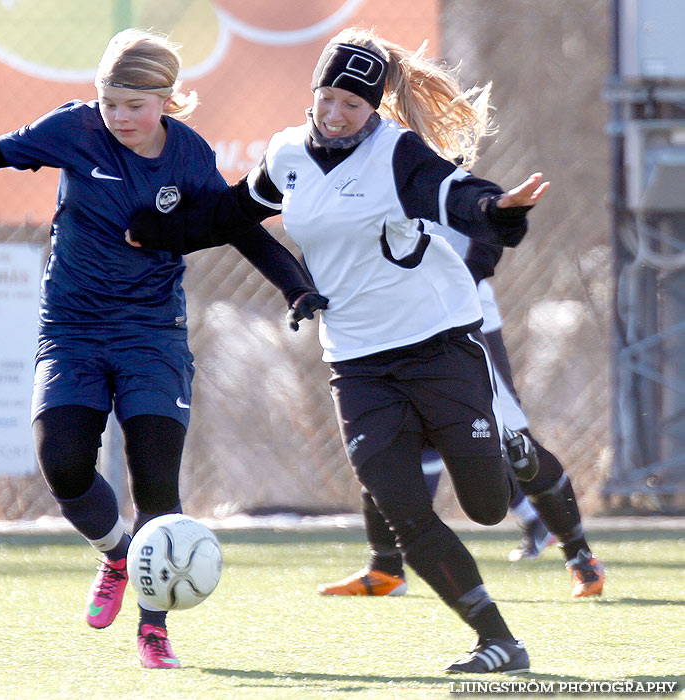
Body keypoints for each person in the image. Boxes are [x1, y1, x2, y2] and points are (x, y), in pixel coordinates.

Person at [0, 28, 326, 669]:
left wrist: (295, 285)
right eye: (109, 101)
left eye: (134, 105)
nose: (118, 116)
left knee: (157, 488)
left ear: (167, 101)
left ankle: (153, 631)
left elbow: (239, 229)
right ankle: (118, 555)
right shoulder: (76, 130)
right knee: (61, 463)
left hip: (152, 336)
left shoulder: (191, 158)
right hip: (73, 330)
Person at [128, 27, 555, 674]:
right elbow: (230, 214)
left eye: (351, 105)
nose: (334, 113)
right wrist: (155, 232)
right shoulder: (289, 153)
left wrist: (499, 207)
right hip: (356, 361)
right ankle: (498, 640)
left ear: (374, 108)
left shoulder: (399, 153)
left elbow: (458, 196)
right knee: (404, 511)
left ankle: (505, 445)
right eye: (327, 96)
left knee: (488, 507)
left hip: (439, 342)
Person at [317, 227, 604, 599]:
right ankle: (385, 567)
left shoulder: (441, 179)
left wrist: (456, 282)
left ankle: (580, 558)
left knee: (511, 436)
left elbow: (493, 226)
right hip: (389, 325)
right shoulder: (365, 176)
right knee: (388, 435)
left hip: (459, 326)